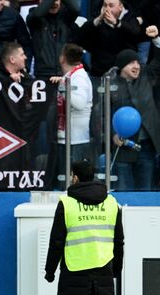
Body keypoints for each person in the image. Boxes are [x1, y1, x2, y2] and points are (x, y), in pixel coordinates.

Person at [45, 160, 124, 295]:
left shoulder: (67, 203)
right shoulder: (112, 203)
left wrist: (49, 270)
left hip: (74, 265)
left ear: (76, 177)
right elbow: (118, 241)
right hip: (103, 264)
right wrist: (117, 269)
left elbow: (56, 241)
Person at [110, 26, 160, 191]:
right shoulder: (110, 84)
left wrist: (156, 38)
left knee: (145, 193)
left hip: (145, 146)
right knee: (123, 193)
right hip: (122, 148)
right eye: (131, 63)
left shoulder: (146, 76)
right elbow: (103, 115)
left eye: (137, 62)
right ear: (121, 67)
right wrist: (111, 135)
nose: (136, 66)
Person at [49, 43, 93, 186]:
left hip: (76, 140)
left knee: (73, 183)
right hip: (68, 137)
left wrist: (63, 88)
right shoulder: (70, 75)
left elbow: (79, 103)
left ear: (62, 58)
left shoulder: (79, 77)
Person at [74, 0, 143, 76]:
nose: (107, 9)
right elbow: (81, 35)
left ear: (120, 7)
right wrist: (97, 20)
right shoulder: (97, 16)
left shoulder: (130, 17)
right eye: (105, 5)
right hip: (100, 69)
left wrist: (117, 23)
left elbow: (135, 32)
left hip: (124, 70)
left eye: (111, 5)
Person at [26, 0, 80, 80]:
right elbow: (37, 15)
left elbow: (76, 9)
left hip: (65, 73)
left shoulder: (65, 17)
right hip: (43, 74)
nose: (54, 3)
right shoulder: (34, 17)